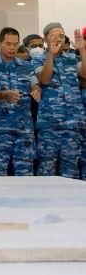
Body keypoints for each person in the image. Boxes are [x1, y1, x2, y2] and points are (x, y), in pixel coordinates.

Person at [0, 28, 39, 176]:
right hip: (0, 129)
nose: (12, 48)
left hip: (24, 129)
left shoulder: (26, 66)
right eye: (8, 44)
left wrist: (36, 90)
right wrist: (3, 94)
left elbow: (35, 84)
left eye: (15, 44)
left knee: (25, 173)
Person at [34, 23, 86, 178]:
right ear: (45, 39)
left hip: (72, 123)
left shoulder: (72, 58)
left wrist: (82, 50)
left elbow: (84, 75)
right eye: (54, 36)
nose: (58, 39)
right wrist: (51, 54)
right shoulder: (38, 59)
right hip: (49, 123)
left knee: (71, 167)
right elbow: (44, 79)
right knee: (46, 167)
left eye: (62, 36)